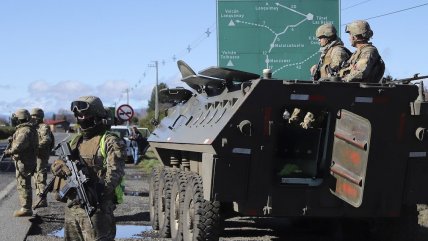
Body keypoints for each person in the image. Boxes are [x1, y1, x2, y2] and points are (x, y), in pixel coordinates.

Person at [51, 96, 126, 240]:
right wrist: (60, 167)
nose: (82, 118)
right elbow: (56, 165)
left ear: (97, 115)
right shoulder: (76, 140)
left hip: (96, 210)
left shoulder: (110, 140)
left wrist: (97, 192)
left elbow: (115, 172)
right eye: (79, 115)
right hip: (72, 209)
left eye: (86, 115)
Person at [4, 109, 38, 217]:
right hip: (28, 160)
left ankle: (26, 208)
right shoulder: (28, 129)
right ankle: (26, 207)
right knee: (24, 184)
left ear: (19, 119)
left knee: (23, 184)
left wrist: (9, 151)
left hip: (24, 161)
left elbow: (19, 146)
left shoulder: (24, 131)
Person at [31, 108, 54, 208]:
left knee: (40, 176)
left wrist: (35, 148)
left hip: (41, 155)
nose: (31, 118)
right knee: (35, 176)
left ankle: (42, 199)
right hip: (36, 155)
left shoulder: (43, 127)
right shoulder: (33, 127)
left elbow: (46, 140)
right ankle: (39, 197)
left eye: (33, 116)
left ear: (39, 117)